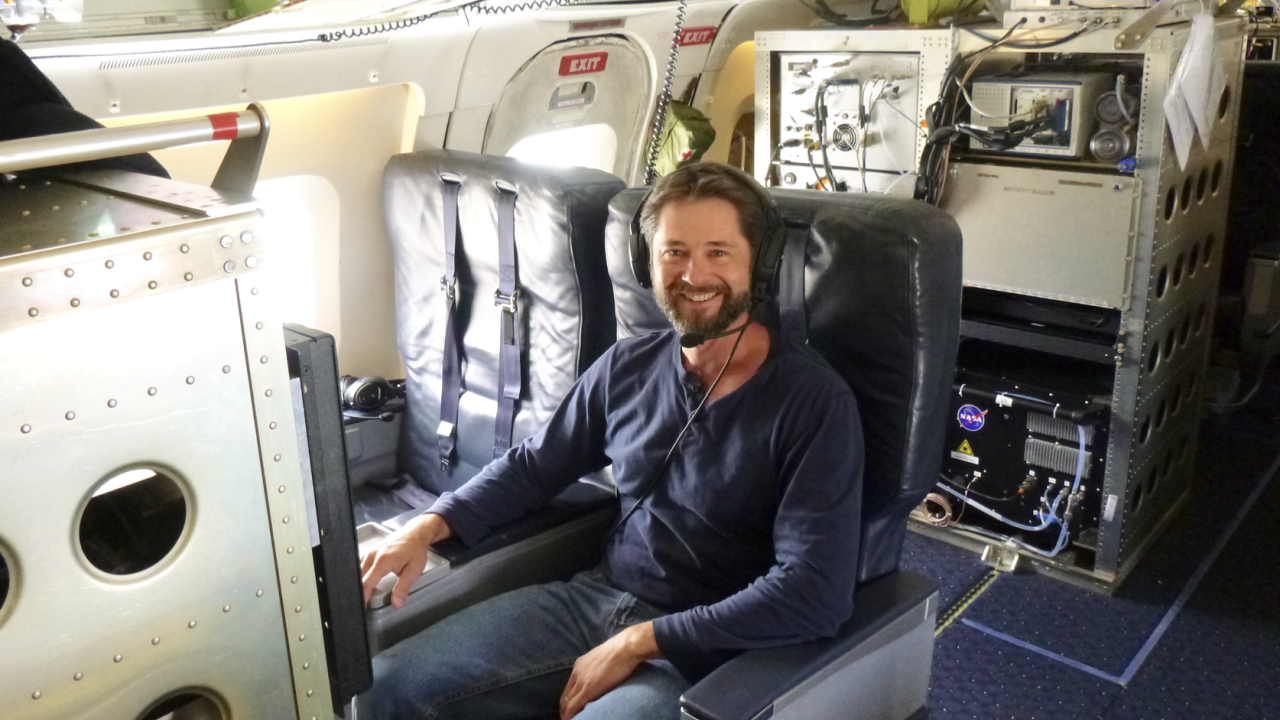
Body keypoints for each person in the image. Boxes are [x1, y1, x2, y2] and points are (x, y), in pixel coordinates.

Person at [359, 163, 863, 720]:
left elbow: (814, 590)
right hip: (593, 600)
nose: (694, 274)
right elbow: (535, 466)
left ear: (759, 264)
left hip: (709, 649)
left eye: (718, 252)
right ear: (647, 263)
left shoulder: (815, 403)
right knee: (386, 689)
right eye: (674, 252)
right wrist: (430, 525)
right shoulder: (627, 365)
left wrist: (643, 640)